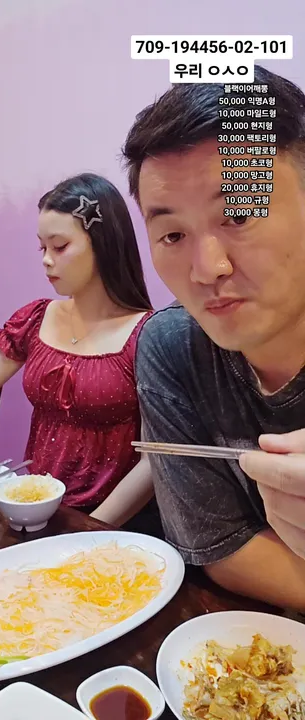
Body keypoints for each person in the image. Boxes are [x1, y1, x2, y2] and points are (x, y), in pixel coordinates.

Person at [122, 65, 305, 610]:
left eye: (240, 214)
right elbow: (218, 546)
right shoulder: (173, 347)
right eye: (172, 234)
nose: (207, 269)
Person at [0, 173, 157, 528]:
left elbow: (153, 461)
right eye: (42, 248)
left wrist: (89, 529)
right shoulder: (35, 319)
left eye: (60, 246)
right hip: (35, 509)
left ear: (104, 244)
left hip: (110, 525)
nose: (46, 260)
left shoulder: (148, 336)